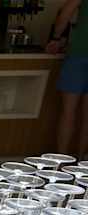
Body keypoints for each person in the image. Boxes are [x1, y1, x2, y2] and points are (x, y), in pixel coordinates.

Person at [48, 0, 88, 157]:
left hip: (78, 53)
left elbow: (66, 12)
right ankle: (81, 161)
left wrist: (56, 38)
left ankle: (61, 160)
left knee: (68, 112)